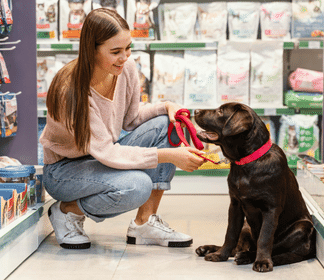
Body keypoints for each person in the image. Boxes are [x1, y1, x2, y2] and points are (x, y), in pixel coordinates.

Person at [40, 8, 205, 250]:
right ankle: (67, 211)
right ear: (91, 50)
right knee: (137, 186)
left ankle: (144, 223)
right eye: (115, 51)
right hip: (64, 172)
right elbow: (107, 152)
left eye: (128, 48)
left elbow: (132, 119)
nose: (125, 57)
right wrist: (169, 156)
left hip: (101, 157)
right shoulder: (71, 91)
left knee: (167, 124)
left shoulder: (124, 69)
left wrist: (167, 106)